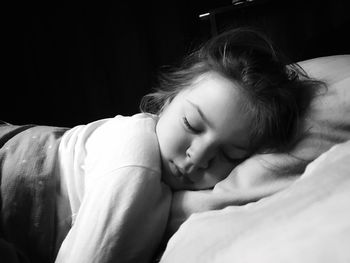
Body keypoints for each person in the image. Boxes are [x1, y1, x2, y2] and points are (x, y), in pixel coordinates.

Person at [0, 27, 323, 263]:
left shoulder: (166, 199)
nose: (197, 157)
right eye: (191, 125)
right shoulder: (135, 150)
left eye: (229, 155)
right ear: (166, 101)